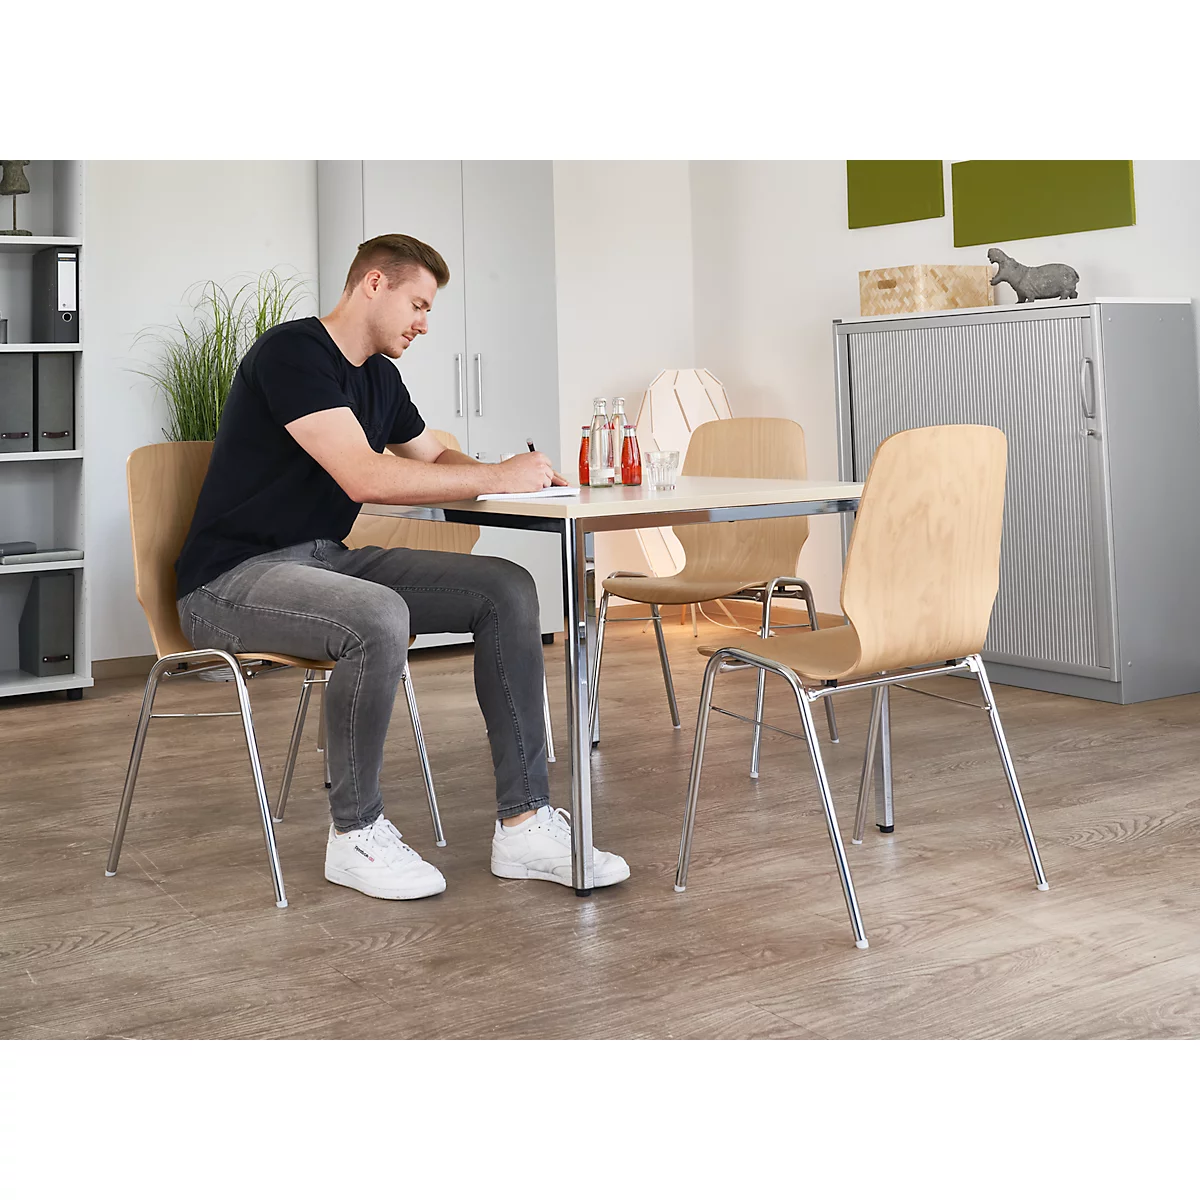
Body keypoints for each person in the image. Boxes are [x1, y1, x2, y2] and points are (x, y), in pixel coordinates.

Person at [174, 233, 629, 900]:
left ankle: (525, 824)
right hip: (230, 579)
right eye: (417, 304)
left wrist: (517, 478)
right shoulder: (292, 353)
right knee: (378, 616)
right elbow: (362, 475)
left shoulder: (380, 378)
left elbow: (433, 462)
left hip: (324, 563)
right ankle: (353, 834)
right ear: (373, 285)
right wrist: (497, 473)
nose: (423, 323)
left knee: (506, 588)